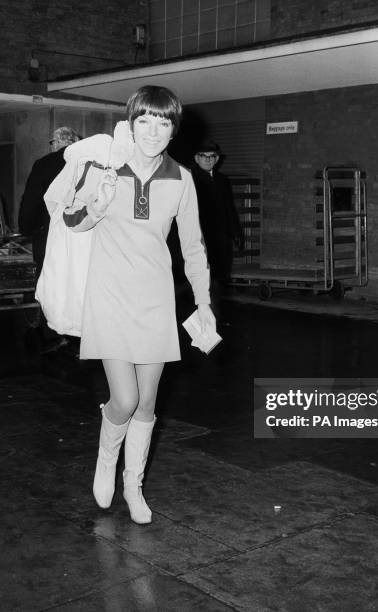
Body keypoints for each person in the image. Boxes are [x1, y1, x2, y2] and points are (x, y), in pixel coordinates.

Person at [63, 86, 214, 524]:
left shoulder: (182, 179)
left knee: (147, 404)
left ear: (173, 130)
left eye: (162, 122)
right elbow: (71, 220)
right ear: (131, 125)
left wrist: (203, 304)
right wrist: (98, 204)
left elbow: (194, 247)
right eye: (143, 121)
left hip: (155, 299)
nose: (152, 130)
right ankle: (106, 461)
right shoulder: (106, 168)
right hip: (108, 295)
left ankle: (134, 485)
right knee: (125, 399)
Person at [18, 126, 80, 351]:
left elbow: (32, 202)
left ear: (55, 143)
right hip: (81, 236)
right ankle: (79, 334)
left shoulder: (44, 164)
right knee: (77, 283)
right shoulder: (87, 163)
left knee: (50, 284)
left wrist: (27, 229)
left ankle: (53, 334)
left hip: (50, 237)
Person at [191, 140, 243, 320]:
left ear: (217, 159)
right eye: (203, 156)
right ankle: (204, 322)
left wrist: (236, 232)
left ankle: (212, 322)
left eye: (212, 157)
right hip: (199, 239)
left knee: (215, 281)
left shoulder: (222, 180)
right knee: (202, 282)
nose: (208, 160)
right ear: (196, 158)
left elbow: (229, 208)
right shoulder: (190, 179)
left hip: (220, 240)